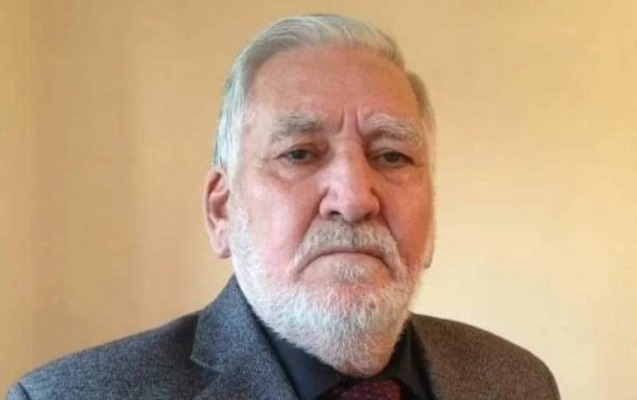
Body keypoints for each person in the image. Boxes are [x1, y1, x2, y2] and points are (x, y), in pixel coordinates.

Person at [7, 14, 560, 400]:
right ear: (222, 212)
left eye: (392, 155)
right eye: (299, 153)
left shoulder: (518, 383)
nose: (354, 199)